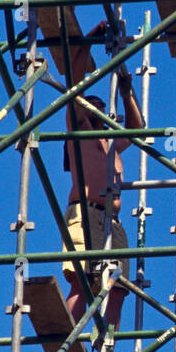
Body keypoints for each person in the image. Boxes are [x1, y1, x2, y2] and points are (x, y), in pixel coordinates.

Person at [62, 55, 143, 333]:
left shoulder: (110, 144)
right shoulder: (78, 133)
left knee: (117, 288)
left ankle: (106, 347)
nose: (99, 111)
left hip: (113, 222)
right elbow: (73, 89)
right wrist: (87, 49)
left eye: (102, 108)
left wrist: (126, 92)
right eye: (92, 107)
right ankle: (67, 336)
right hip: (85, 213)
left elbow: (137, 129)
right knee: (82, 279)